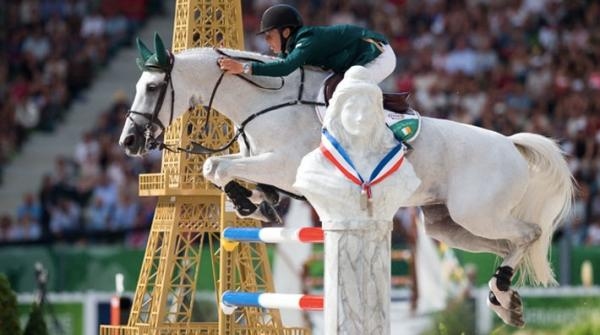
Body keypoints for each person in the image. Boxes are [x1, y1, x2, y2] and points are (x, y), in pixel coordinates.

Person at [218, 4, 395, 86]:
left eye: (269, 36)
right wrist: (234, 57)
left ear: (285, 32)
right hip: (358, 61)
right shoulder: (294, 46)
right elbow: (274, 65)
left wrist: (243, 67)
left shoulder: (307, 40)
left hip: (378, 55)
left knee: (349, 88)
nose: (267, 42)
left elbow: (285, 68)